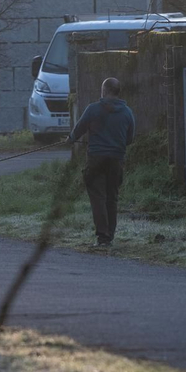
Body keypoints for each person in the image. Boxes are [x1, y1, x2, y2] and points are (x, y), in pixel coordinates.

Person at [67, 77, 136, 247]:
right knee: (112, 197)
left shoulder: (93, 109)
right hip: (116, 159)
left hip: (96, 158)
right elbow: (129, 139)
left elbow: (80, 128)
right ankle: (109, 236)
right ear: (118, 92)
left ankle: (102, 237)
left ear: (104, 91)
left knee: (98, 197)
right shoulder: (127, 113)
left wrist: (71, 138)